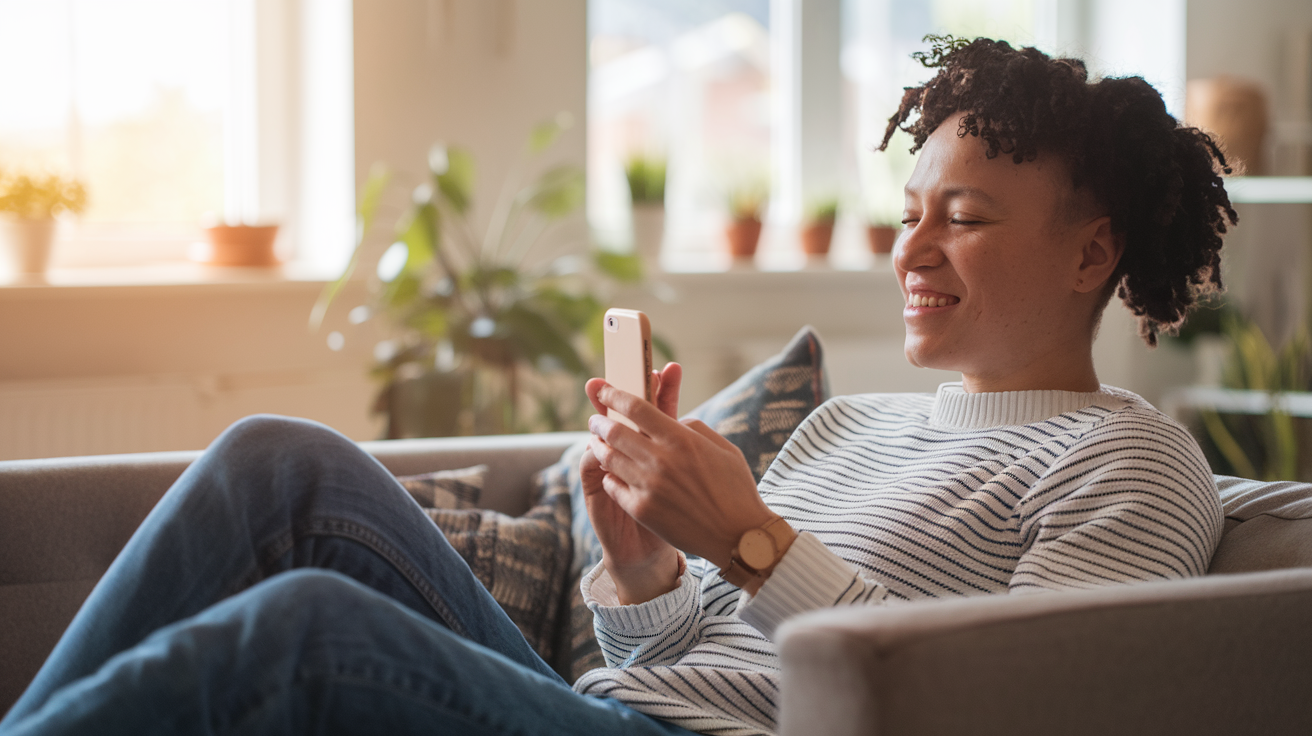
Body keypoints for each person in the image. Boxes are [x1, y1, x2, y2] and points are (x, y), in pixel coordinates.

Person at [0, 37, 1237, 736]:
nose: (909, 252)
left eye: (960, 219)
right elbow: (688, 651)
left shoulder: (1131, 465)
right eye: (908, 214)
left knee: (305, 634)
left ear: (1092, 251)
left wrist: (752, 542)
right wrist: (645, 562)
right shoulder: (850, 422)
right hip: (602, 709)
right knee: (280, 463)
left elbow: (1005, 712)